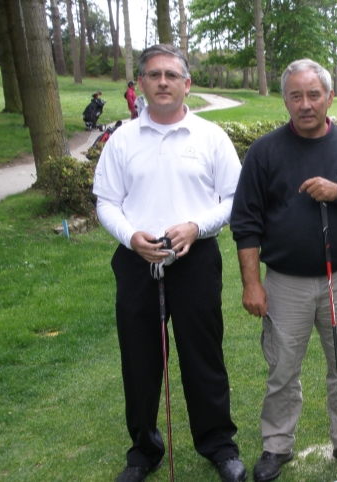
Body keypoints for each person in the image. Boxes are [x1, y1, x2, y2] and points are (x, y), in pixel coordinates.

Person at [93, 44, 247, 482]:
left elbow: (234, 200)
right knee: (139, 360)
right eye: (154, 74)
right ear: (141, 83)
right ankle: (143, 450)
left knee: (204, 355)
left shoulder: (210, 137)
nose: (163, 82)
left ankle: (219, 444)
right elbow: (107, 202)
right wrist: (130, 237)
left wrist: (196, 226)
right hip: (137, 259)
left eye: (172, 75)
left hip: (195, 258)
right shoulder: (122, 139)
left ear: (187, 84)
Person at [229, 58, 337, 482]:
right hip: (284, 281)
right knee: (282, 369)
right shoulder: (264, 151)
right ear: (286, 99)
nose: (305, 104)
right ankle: (276, 445)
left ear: (329, 97)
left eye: (313, 95)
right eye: (296, 96)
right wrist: (251, 283)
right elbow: (246, 222)